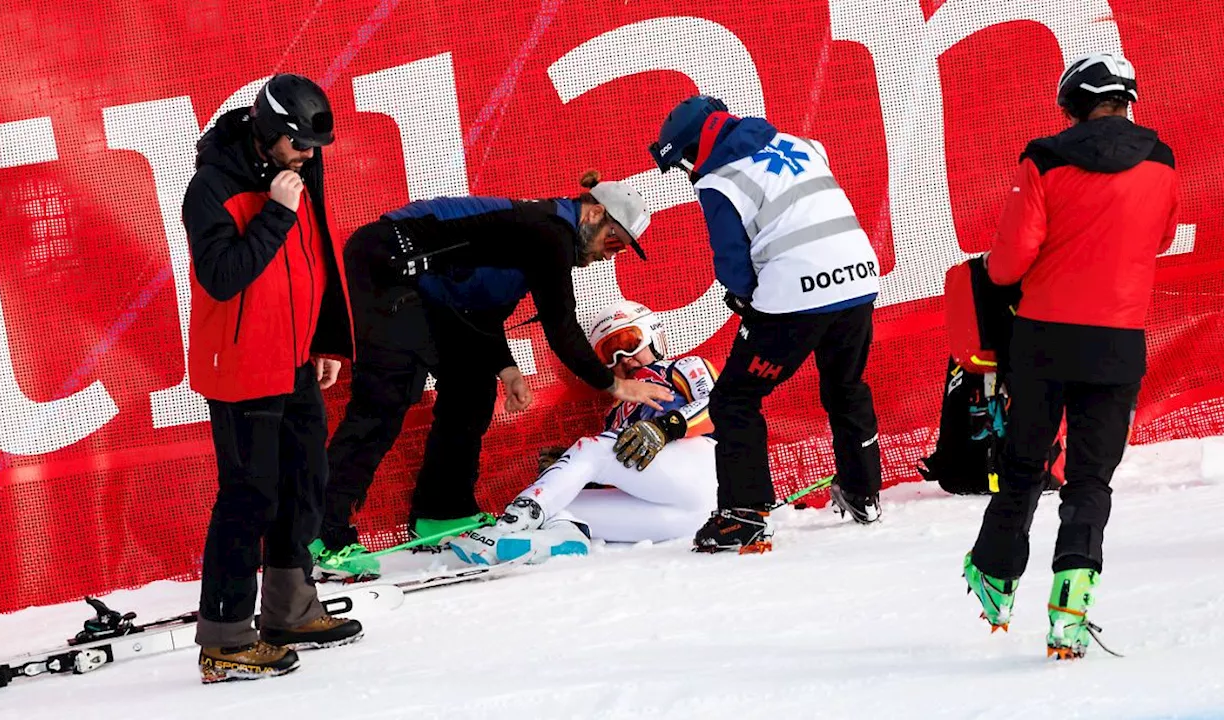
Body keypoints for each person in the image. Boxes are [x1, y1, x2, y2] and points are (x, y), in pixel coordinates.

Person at [309, 173, 675, 580]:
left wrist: (507, 369)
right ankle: (319, 533)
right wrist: (617, 385)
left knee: (471, 387)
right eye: (613, 242)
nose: (609, 256)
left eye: (619, 251)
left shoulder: (539, 232)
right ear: (593, 212)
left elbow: (478, 313)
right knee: (384, 400)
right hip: (385, 262)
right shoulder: (549, 232)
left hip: (424, 285)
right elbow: (561, 327)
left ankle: (441, 511)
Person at [962, 53, 1178, 659]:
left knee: (1024, 463)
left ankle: (995, 579)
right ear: (1126, 101)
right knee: (1090, 479)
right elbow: (1161, 236)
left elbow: (1008, 263)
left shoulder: (1045, 158)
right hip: (1118, 338)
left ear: (1070, 106)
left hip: (1044, 337)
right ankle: (1071, 607)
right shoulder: (1161, 160)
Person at [182, 73, 362, 683]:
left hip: (294, 358)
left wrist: (328, 338)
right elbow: (224, 277)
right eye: (299, 146)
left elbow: (321, 250)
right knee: (248, 498)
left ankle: (287, 611)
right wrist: (276, 214)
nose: (309, 158)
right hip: (239, 368)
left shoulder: (301, 169)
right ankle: (226, 639)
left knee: (306, 482)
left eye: (315, 148)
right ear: (266, 131)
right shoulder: (210, 186)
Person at [648, 95, 884, 554]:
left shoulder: (720, 180)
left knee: (735, 399)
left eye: (685, 157)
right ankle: (863, 492)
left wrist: (745, 298)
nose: (688, 168)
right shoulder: (803, 143)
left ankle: (742, 515)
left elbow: (733, 263)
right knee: (846, 383)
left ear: (700, 142)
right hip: (859, 277)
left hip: (796, 291)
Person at [449, 300, 719, 565]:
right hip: (681, 517)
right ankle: (561, 539)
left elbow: (720, 408)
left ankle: (512, 521)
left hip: (707, 476)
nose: (623, 359)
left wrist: (663, 428)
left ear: (654, 337)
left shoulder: (682, 368)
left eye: (628, 343)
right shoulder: (615, 413)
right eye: (609, 354)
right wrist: (574, 474)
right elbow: (632, 479)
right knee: (559, 503)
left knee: (591, 449)